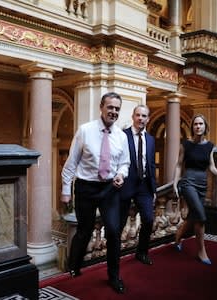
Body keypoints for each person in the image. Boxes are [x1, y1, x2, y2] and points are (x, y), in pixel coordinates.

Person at [61, 92, 130, 294]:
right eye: (110, 107)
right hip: (86, 187)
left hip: (110, 189)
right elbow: (71, 162)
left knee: (114, 231)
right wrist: (66, 190)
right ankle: (73, 265)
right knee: (84, 229)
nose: (114, 112)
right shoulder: (85, 130)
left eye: (117, 109)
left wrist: (121, 174)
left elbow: (125, 162)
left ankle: (114, 276)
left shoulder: (121, 136)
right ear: (101, 107)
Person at [172, 114, 217, 265]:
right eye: (195, 124)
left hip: (203, 184)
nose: (198, 126)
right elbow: (178, 165)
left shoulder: (210, 146)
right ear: (193, 127)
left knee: (192, 216)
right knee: (201, 217)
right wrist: (175, 183)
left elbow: (211, 166)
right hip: (188, 182)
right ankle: (201, 251)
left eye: (200, 124)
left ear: (205, 127)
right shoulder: (186, 144)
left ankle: (178, 237)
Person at [120, 104, 156, 265]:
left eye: (144, 116)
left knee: (148, 220)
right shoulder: (122, 135)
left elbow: (151, 164)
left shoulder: (150, 139)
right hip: (126, 185)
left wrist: (153, 189)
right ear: (133, 117)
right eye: (138, 115)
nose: (141, 118)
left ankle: (141, 252)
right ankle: (114, 256)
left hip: (144, 186)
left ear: (148, 119)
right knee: (119, 223)